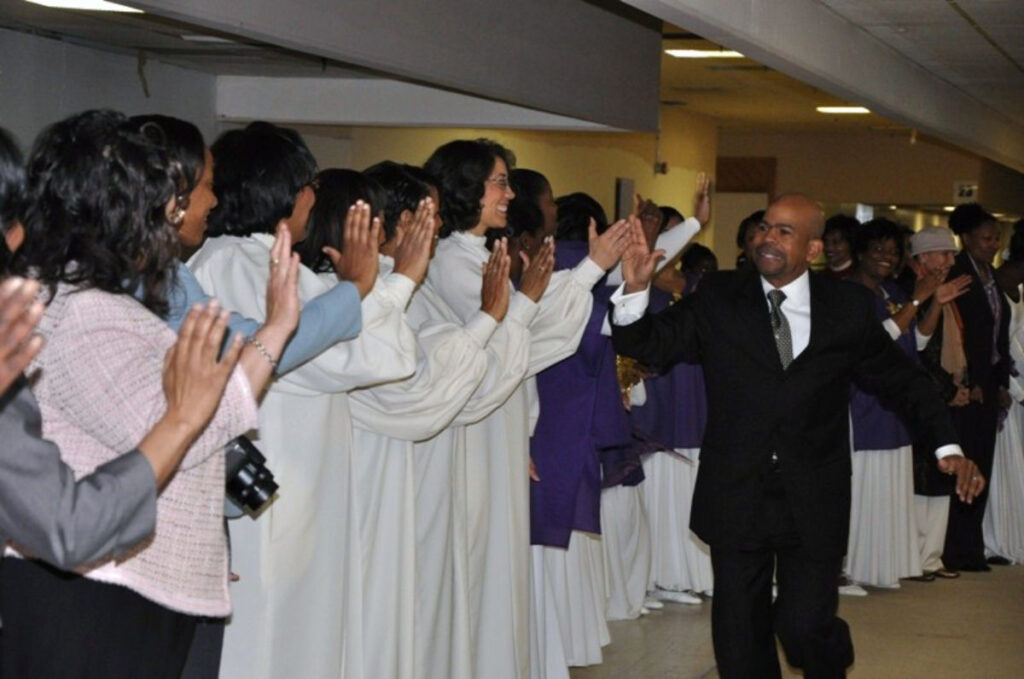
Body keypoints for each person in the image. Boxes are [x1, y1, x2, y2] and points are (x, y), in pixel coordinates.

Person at [611, 193, 983, 679]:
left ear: (812, 249)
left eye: (785, 232)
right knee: (740, 643)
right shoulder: (720, 296)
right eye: (765, 227)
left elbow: (903, 382)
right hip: (737, 489)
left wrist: (947, 446)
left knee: (805, 625)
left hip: (814, 493)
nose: (767, 238)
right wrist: (635, 292)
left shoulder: (846, 307)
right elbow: (648, 344)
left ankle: (831, 660)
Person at [0, 109, 299, 679]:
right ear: (121, 214)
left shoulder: (79, 297)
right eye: (163, 206)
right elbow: (182, 430)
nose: (175, 219)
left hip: (107, 586)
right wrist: (277, 329)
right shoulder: (81, 310)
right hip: (93, 594)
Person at [189, 123, 417, 679]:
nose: (314, 196)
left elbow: (386, 356)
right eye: (307, 182)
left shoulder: (274, 261)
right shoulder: (236, 263)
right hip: (272, 484)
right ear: (280, 189)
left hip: (306, 483)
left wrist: (366, 289)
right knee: (267, 639)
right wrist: (385, 283)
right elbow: (354, 359)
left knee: (302, 635)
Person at [423, 139, 629, 679]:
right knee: (480, 567)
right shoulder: (450, 264)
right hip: (476, 428)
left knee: (499, 567)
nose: (509, 194)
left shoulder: (478, 255)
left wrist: (588, 271)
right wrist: (585, 275)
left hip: (500, 426)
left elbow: (526, 327)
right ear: (466, 188)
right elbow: (520, 339)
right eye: (498, 182)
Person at [943, 202, 1011, 572]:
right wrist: (975, 380)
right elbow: (961, 335)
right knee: (965, 464)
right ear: (966, 238)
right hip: (968, 387)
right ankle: (955, 548)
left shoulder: (989, 274)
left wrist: (999, 381)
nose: (993, 244)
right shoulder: (958, 273)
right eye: (986, 238)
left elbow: (996, 338)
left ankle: (971, 547)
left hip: (990, 384)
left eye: (997, 238)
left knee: (982, 462)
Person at [906, 226, 973, 579]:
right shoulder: (908, 292)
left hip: (943, 397)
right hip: (919, 399)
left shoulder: (944, 292)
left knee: (943, 476)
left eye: (951, 254)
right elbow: (916, 351)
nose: (949, 261)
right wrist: (948, 390)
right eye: (942, 254)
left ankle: (931, 557)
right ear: (921, 259)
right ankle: (913, 559)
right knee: (922, 479)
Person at [984, 218, 1024, 563]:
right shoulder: (1002, 279)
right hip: (1006, 382)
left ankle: (1011, 535)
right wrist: (1011, 383)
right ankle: (995, 539)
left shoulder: (1019, 284)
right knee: (1001, 464)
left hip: (1017, 381)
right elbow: (1001, 342)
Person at [822, 214, 858, 279]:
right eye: (826, 241)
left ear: (851, 243)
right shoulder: (820, 277)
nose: (829, 247)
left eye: (836, 242)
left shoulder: (860, 276)